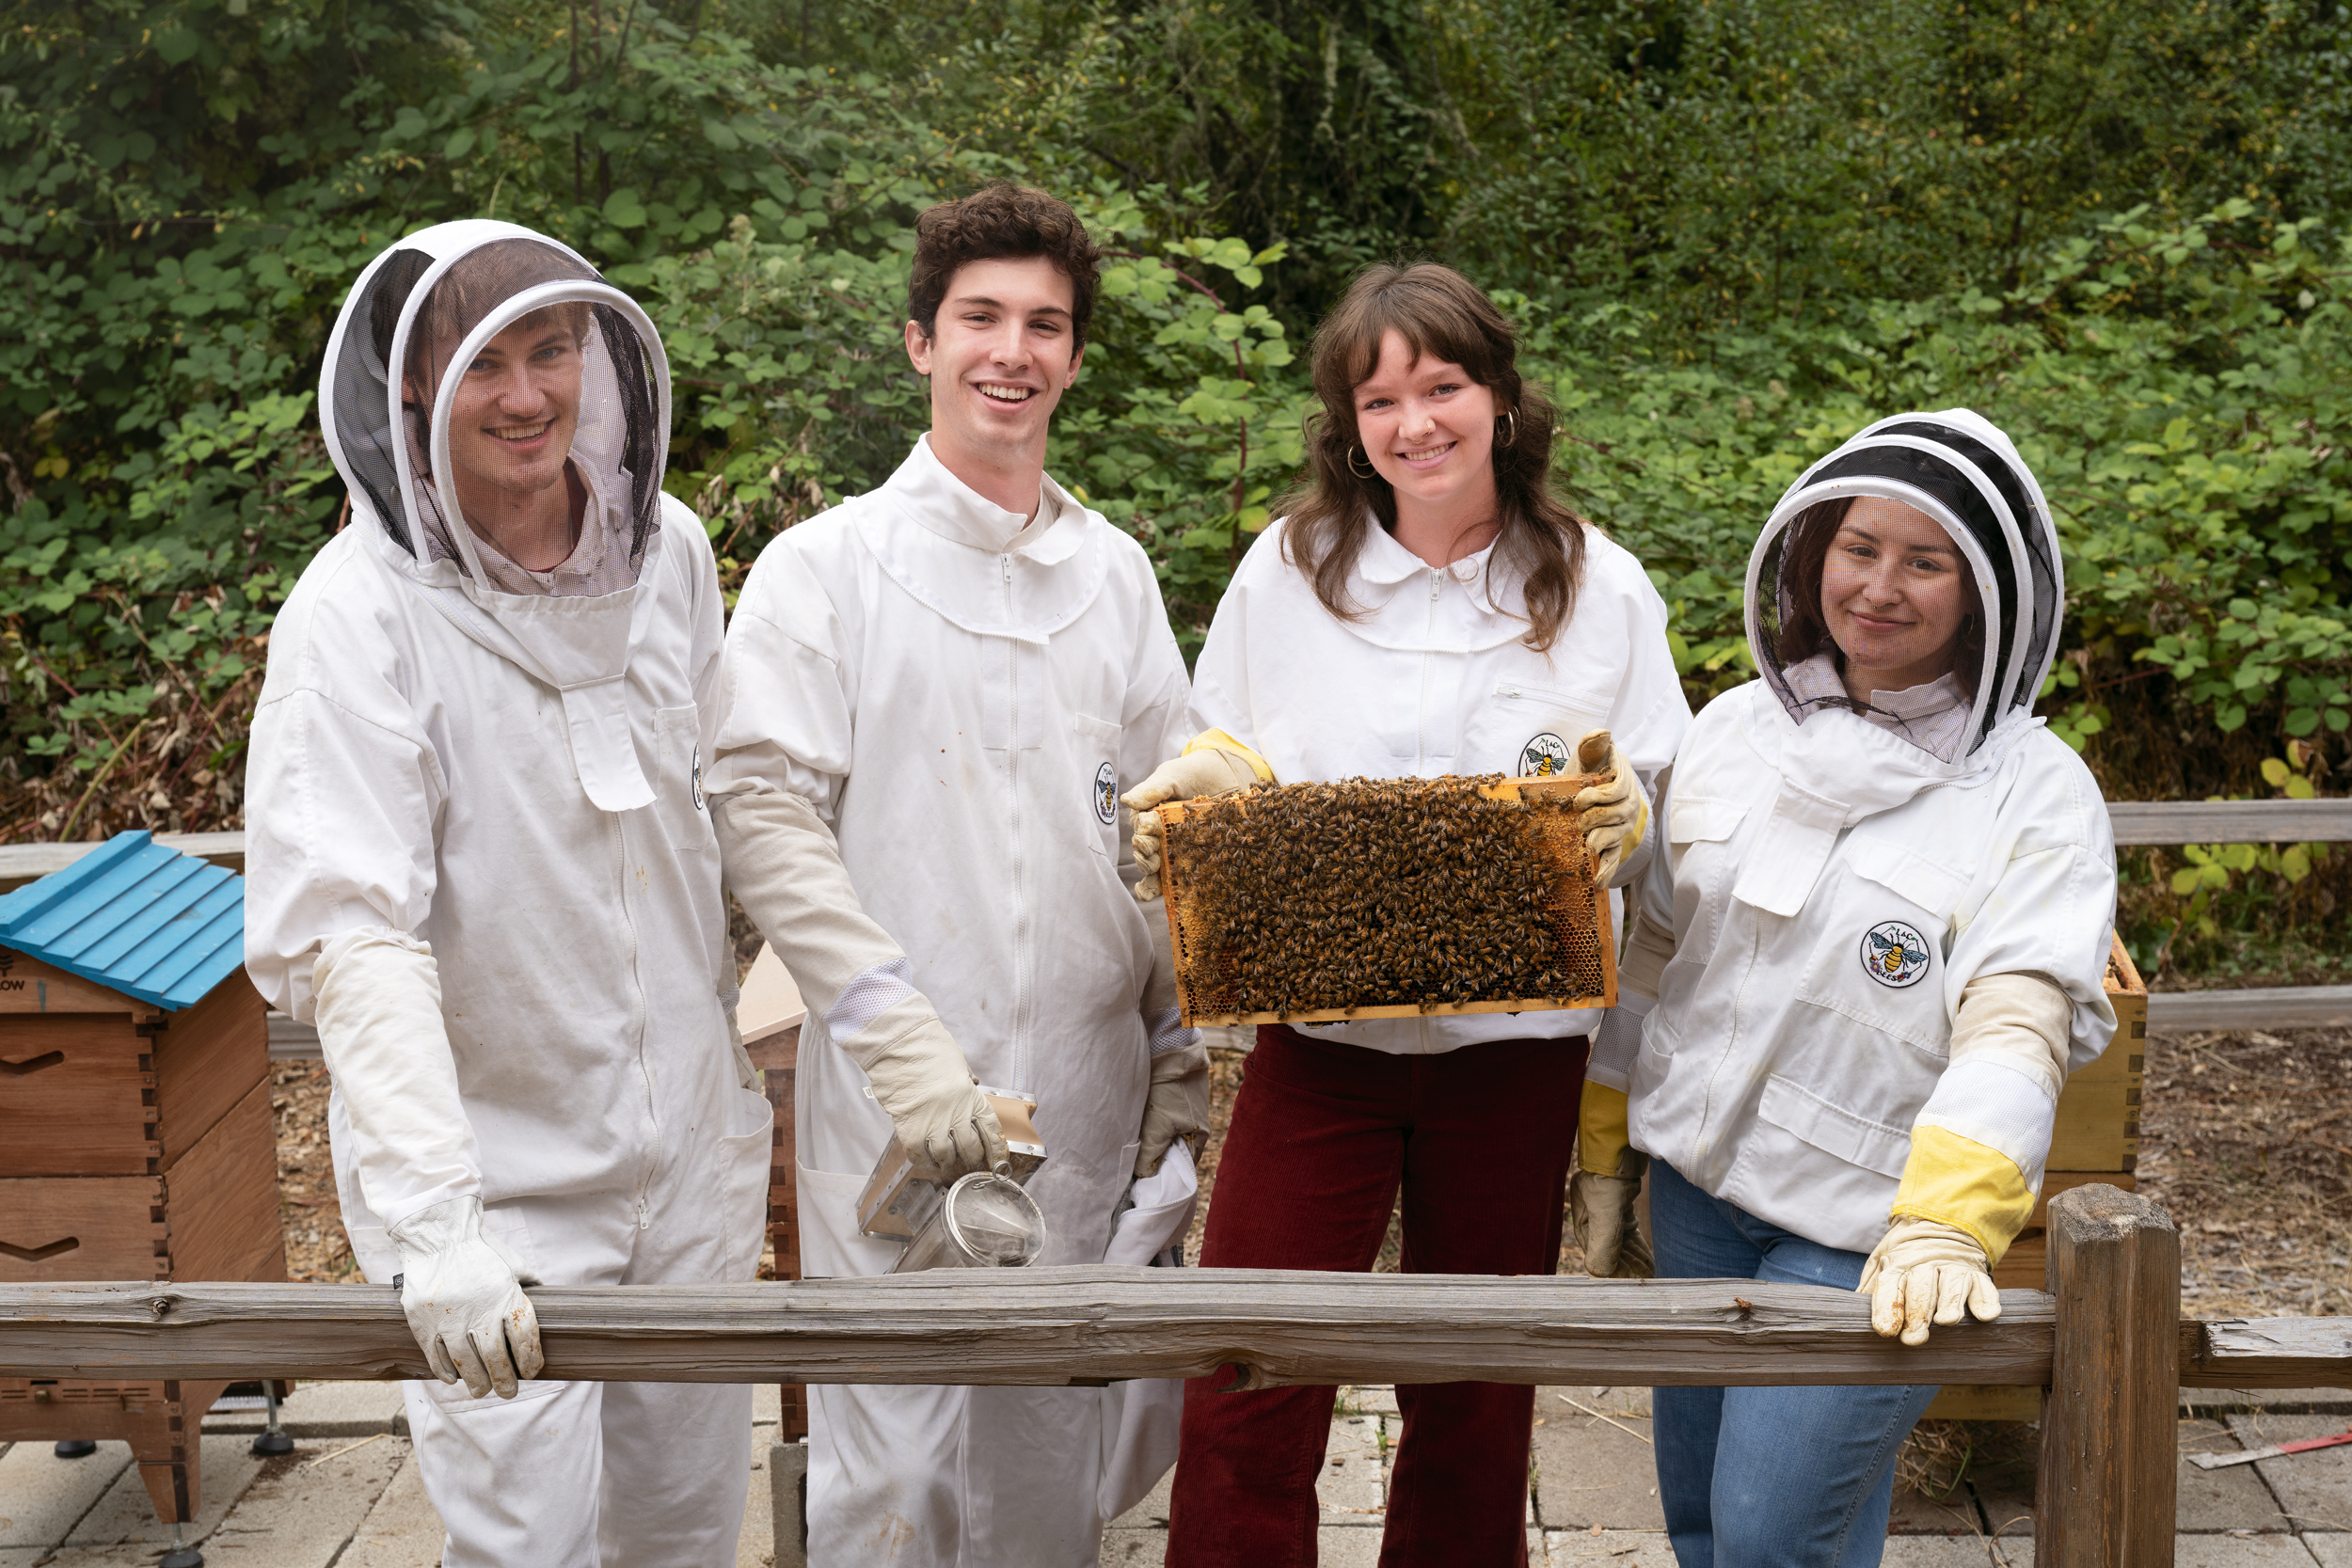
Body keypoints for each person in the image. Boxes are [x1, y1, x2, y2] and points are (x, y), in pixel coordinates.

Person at [244, 220, 773, 1567]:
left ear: (603, 359)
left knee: (682, 1534)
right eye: (486, 362)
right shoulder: (354, 616)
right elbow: (354, 928)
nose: (530, 394)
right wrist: (438, 1224)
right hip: (505, 1198)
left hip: (689, 1176)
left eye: (556, 349)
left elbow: (741, 812)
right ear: (411, 383)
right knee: (528, 1549)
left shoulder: (674, 558)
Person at [1148, 261, 1692, 1567]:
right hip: (1319, 1049)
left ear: (1501, 399)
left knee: (1474, 1391)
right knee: (1248, 1375)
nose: (1414, 422)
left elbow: (1665, 791)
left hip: (1514, 1064)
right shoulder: (1288, 570)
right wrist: (1214, 784)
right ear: (1348, 422)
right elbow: (1223, 746)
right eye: (1378, 396)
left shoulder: (1599, 586)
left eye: (1441, 385)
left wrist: (1634, 823)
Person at [701, 182, 1206, 1567]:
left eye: (1045, 324)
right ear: (921, 339)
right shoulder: (826, 570)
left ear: (1077, 357)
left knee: (1057, 1456)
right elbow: (765, 813)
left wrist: (1181, 1040)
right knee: (899, 1475)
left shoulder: (1116, 577)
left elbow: (1157, 835)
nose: (1013, 350)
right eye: (981, 316)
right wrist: (894, 1037)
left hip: (1088, 1100)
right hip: (899, 1107)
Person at [1573, 409, 2118, 1568]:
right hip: (1698, 1198)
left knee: (1774, 1538)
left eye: (1926, 561)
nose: (1878, 586)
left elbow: (2015, 1025)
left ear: (1986, 593)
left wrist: (1946, 1220)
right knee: (1705, 1524)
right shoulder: (1732, 730)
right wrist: (1605, 1139)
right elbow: (1663, 952)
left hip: (1868, 1232)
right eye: (1860, 546)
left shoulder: (2035, 792)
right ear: (1811, 547)